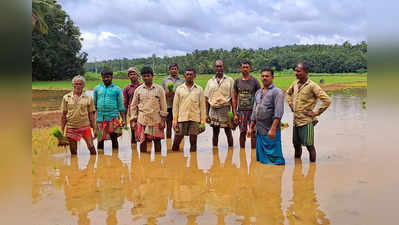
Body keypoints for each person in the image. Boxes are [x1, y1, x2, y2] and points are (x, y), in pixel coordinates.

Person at [286, 62, 331, 162]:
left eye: (298, 71)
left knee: (310, 146)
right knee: (296, 145)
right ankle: (297, 167)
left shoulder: (312, 86)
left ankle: (312, 169)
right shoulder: (295, 83)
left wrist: (315, 113)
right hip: (296, 121)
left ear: (305, 72)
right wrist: (290, 104)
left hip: (307, 122)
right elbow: (288, 93)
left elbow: (327, 100)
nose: (296, 73)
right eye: (295, 71)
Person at [247, 69, 285, 165]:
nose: (264, 78)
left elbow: (279, 112)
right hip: (259, 130)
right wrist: (251, 127)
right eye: (263, 76)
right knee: (262, 160)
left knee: (275, 160)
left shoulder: (277, 92)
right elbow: (254, 111)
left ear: (272, 78)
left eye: (267, 76)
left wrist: (272, 129)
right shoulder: (258, 92)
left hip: (270, 130)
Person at [130, 67, 168, 153]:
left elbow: (163, 106)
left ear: (152, 76)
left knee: (157, 141)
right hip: (142, 120)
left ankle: (158, 161)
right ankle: (143, 162)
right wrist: (133, 120)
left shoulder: (159, 89)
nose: (146, 78)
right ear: (141, 77)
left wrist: (163, 120)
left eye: (148, 76)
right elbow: (133, 106)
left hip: (156, 120)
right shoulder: (138, 90)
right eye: (144, 76)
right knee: (143, 141)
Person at [171, 68, 206, 152]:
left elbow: (202, 107)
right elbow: (175, 106)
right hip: (182, 118)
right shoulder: (179, 89)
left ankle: (193, 163)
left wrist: (203, 122)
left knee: (193, 142)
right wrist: (175, 121)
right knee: (176, 141)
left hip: (195, 119)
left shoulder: (199, 89)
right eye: (187, 74)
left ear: (194, 76)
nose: (189, 76)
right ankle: (175, 162)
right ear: (184, 76)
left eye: (191, 74)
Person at [60, 75, 97, 155]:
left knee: (91, 147)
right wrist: (62, 130)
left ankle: (93, 165)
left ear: (83, 85)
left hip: (85, 127)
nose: (78, 86)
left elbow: (91, 115)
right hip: (71, 127)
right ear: (73, 85)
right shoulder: (66, 97)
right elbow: (64, 115)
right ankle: (74, 166)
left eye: (80, 84)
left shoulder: (88, 98)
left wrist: (94, 128)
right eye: (76, 84)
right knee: (73, 151)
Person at [93, 68, 126, 151]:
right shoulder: (97, 88)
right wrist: (93, 121)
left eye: (108, 77)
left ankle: (115, 159)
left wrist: (124, 119)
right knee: (100, 140)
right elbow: (94, 106)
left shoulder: (117, 89)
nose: (106, 79)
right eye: (104, 77)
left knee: (114, 139)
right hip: (100, 118)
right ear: (101, 77)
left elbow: (121, 106)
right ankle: (100, 159)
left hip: (113, 118)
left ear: (112, 77)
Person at [204, 59, 234, 147]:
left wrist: (233, 114)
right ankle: (215, 151)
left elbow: (233, 98)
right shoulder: (210, 81)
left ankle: (231, 150)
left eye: (220, 66)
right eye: (217, 66)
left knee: (228, 131)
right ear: (214, 68)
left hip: (225, 109)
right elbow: (206, 99)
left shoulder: (230, 80)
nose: (219, 68)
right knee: (215, 132)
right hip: (214, 110)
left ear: (223, 67)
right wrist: (206, 114)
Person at [232, 60, 261, 149]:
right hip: (241, 111)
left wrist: (258, 111)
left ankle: (253, 152)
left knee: (253, 132)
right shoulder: (237, 81)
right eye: (243, 67)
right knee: (242, 132)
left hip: (253, 111)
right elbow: (234, 98)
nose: (245, 69)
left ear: (250, 69)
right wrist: (235, 114)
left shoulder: (255, 81)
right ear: (241, 69)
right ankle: (242, 152)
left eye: (247, 67)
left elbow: (259, 96)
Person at [161, 63, 185, 139]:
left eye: (175, 69)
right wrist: (168, 93)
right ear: (169, 70)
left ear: (178, 70)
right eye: (172, 69)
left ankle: (179, 143)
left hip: (180, 107)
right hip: (168, 106)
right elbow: (161, 94)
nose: (174, 70)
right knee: (169, 126)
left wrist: (177, 93)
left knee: (179, 126)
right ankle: (169, 143)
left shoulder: (182, 80)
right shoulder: (165, 80)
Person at [123, 67, 142, 144]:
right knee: (133, 129)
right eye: (131, 74)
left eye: (134, 74)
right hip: (132, 112)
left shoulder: (142, 86)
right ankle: (133, 150)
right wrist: (124, 118)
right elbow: (125, 103)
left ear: (137, 75)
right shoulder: (127, 88)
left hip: (143, 111)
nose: (133, 76)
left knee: (144, 130)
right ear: (128, 76)